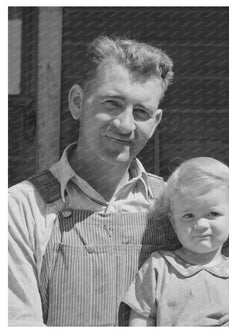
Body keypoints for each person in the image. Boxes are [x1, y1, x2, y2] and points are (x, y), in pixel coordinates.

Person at [8, 35, 181, 326]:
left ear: (156, 122)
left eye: (141, 112)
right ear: (77, 102)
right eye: (112, 103)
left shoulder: (174, 207)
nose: (126, 125)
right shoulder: (21, 209)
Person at [122, 157, 229, 326]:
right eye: (188, 216)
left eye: (213, 214)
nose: (201, 225)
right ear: (174, 223)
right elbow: (141, 318)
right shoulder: (159, 267)